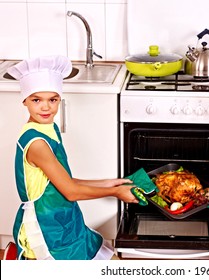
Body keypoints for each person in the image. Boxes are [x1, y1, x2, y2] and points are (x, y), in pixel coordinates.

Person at [7, 55, 138, 260]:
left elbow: (65, 182)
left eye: (52, 99)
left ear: (60, 99)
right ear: (24, 101)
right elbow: (70, 191)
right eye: (36, 100)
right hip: (47, 228)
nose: (46, 107)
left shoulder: (48, 129)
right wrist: (115, 192)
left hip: (64, 219)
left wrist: (111, 183)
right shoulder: (37, 144)